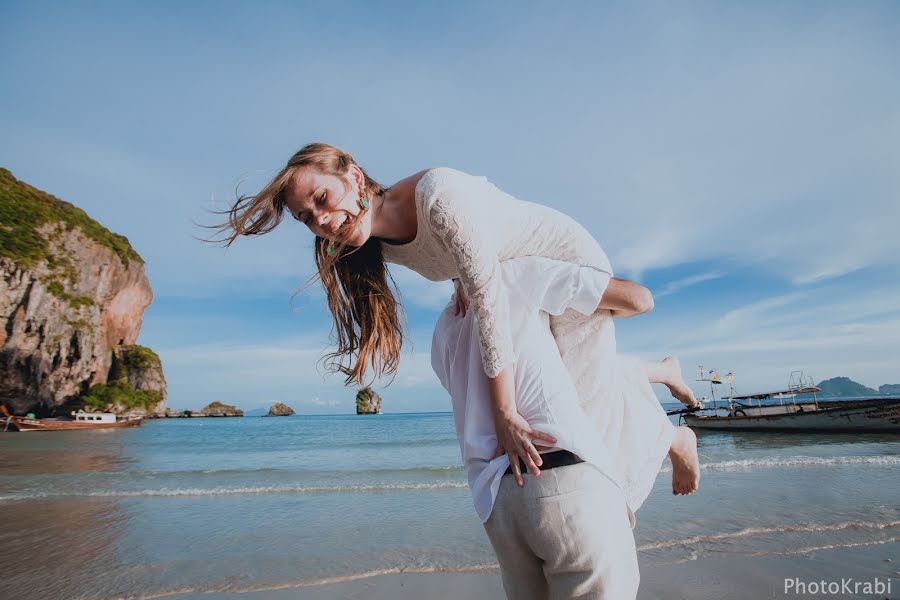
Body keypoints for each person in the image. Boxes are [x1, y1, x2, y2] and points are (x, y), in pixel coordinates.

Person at [203, 143, 701, 510]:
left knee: (582, 417)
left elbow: (488, 291)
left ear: (354, 176)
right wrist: (466, 287)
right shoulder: (381, 243)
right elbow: (472, 272)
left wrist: (504, 412)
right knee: (563, 389)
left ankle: (674, 439)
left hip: (557, 263)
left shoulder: (437, 195)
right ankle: (660, 370)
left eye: (321, 197)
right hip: (509, 280)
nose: (321, 220)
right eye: (305, 217)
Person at [433, 255, 642, 598]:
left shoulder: (443, 327)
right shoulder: (519, 273)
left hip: (497, 499)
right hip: (561, 480)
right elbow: (638, 300)